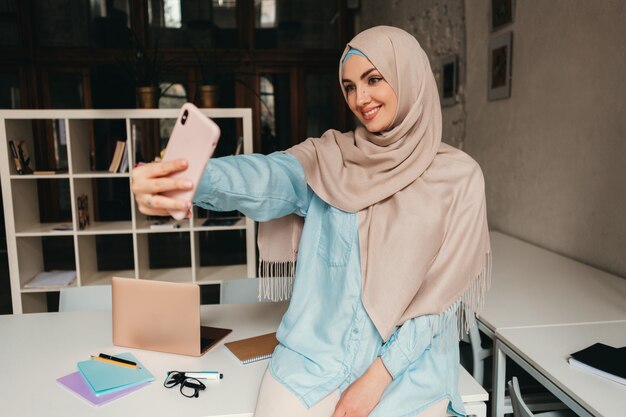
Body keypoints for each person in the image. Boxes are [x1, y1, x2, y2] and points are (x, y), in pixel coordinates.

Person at [132, 26, 491, 417]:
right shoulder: (328, 157)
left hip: (408, 374)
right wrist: (192, 178)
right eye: (350, 86)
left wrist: (374, 381)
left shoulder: (459, 177)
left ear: (410, 77)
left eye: (373, 80)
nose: (360, 98)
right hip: (312, 362)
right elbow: (267, 177)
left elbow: (438, 303)